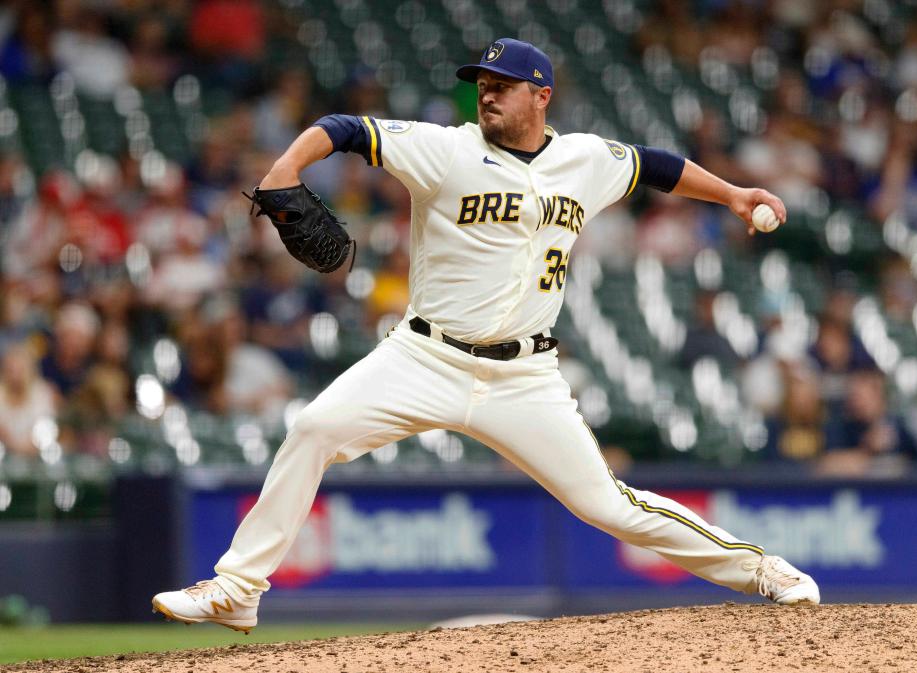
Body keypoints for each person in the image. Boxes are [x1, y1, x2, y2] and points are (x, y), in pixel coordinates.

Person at [152, 38, 819, 633]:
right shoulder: (446, 148)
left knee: (607, 504)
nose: (488, 93)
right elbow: (344, 128)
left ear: (542, 96)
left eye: (503, 85)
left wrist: (732, 193)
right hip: (425, 355)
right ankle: (238, 586)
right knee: (314, 429)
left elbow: (655, 165)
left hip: (525, 377)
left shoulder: (585, 159)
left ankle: (764, 571)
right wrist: (281, 173)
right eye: (483, 84)